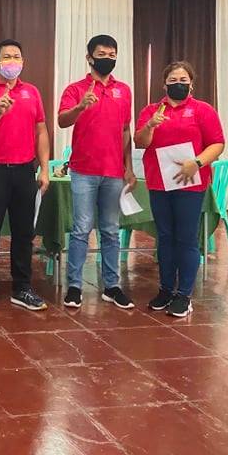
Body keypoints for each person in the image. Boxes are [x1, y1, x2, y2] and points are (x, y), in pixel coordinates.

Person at [135, 61, 225, 318]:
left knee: (186, 237)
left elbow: (217, 143)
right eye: (173, 80)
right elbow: (140, 142)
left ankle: (184, 294)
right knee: (164, 236)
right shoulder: (151, 110)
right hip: (159, 183)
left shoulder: (202, 110)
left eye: (183, 80)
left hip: (190, 183)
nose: (178, 84)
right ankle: (165, 289)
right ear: (164, 85)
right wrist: (150, 125)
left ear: (191, 84)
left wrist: (197, 162)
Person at [57, 35, 137, 310]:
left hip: (114, 172)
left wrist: (129, 167)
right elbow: (62, 120)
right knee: (81, 229)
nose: (107, 58)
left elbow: (126, 130)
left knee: (111, 230)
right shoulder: (75, 89)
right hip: (83, 170)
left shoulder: (123, 90)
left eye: (112, 54)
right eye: (102, 54)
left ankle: (112, 286)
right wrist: (80, 106)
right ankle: (75, 286)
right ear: (89, 57)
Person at [0, 39, 49, 312]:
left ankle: (22, 287)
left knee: (24, 232)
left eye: (16, 56)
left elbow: (41, 130)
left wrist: (44, 168)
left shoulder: (31, 92)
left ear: (23, 61)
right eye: (6, 57)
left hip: (25, 170)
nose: (12, 61)